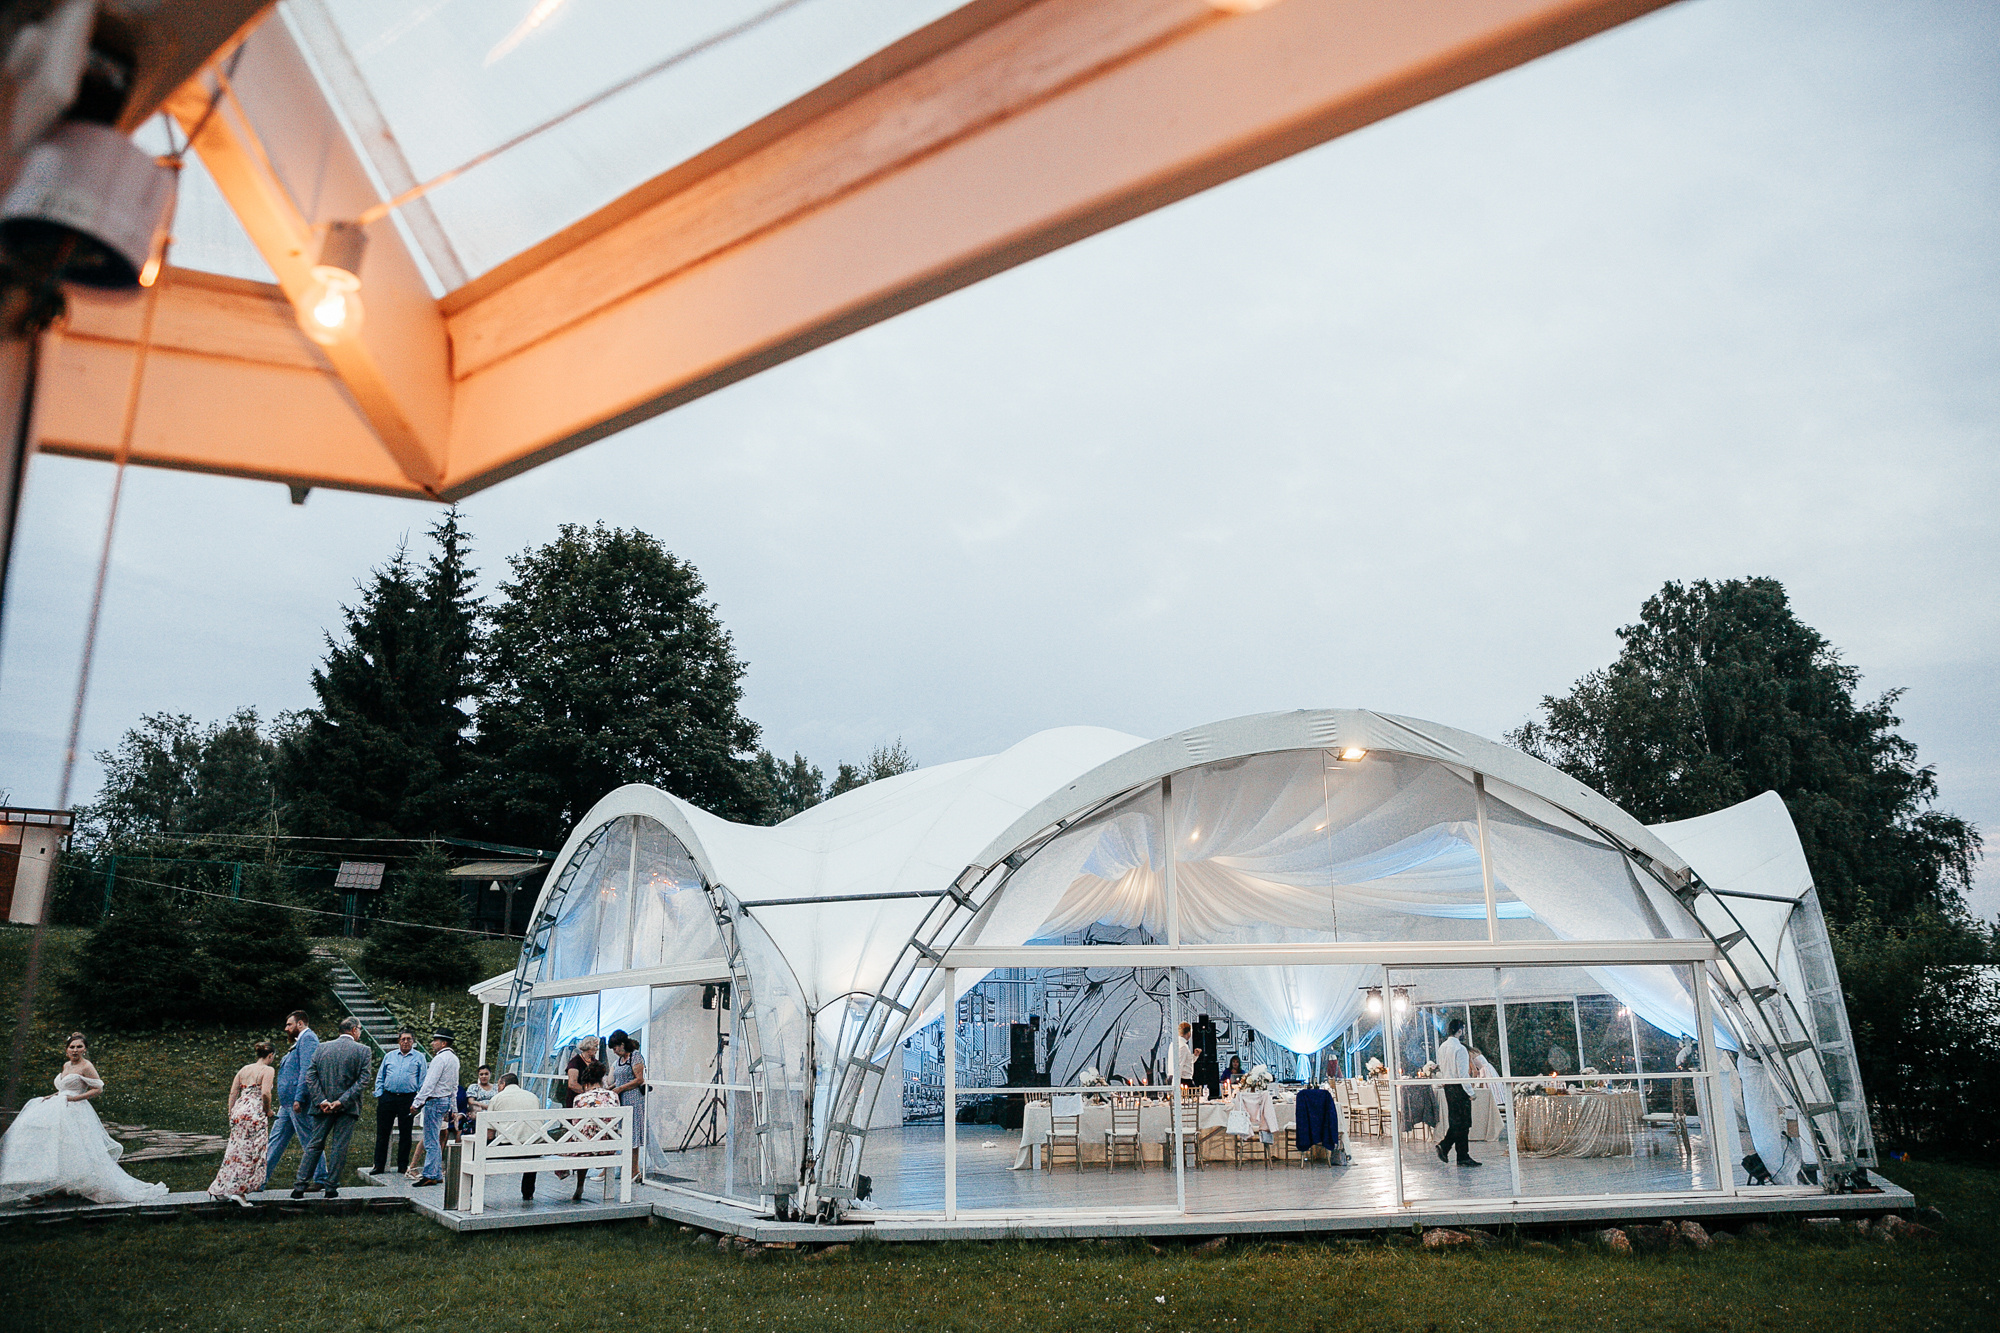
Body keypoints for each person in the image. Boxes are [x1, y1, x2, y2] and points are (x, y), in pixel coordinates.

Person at [0, 1032, 168, 1205]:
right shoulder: (66, 1065)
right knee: (57, 1145)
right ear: (66, 1050)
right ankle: (55, 1186)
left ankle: (83, 1183)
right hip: (60, 1105)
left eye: (79, 1047)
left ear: (85, 1049)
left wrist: (75, 1098)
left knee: (79, 1145)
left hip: (76, 1109)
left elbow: (98, 1088)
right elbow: (64, 1088)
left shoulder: (86, 1066)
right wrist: (52, 1096)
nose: (75, 1050)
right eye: (72, 1047)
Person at [290, 1017, 373, 1199]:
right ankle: (331, 1188)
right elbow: (363, 1080)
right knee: (339, 1147)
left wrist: (321, 1100)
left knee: (314, 1145)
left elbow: (310, 1076)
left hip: (323, 1107)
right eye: (360, 1029)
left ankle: (299, 1186)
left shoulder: (322, 1048)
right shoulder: (363, 1050)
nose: (360, 1032)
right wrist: (342, 1101)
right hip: (347, 1107)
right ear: (354, 1030)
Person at [206, 1040, 277, 1206]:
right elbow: (265, 1093)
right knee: (252, 1152)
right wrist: (268, 1110)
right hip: (254, 1112)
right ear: (270, 1055)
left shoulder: (244, 1069)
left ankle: (221, 1187)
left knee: (234, 1150)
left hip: (239, 1110)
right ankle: (240, 1191)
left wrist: (231, 1112)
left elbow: (233, 1092)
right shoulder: (268, 1070)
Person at [266, 1010, 325, 1191]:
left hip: (298, 1103)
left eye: (289, 1024)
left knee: (309, 1140)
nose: (286, 1028)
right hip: (287, 1104)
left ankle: (321, 1178)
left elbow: (307, 1070)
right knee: (275, 1140)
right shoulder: (299, 1042)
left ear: (300, 1024)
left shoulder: (308, 1039)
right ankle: (259, 1179)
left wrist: (299, 1097)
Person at [408, 1028, 462, 1188]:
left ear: (443, 1043)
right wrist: (454, 1108)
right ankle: (437, 1173)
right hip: (445, 1100)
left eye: (435, 1040)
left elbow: (429, 1083)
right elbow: (454, 1086)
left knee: (431, 1140)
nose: (432, 1043)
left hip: (434, 1101)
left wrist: (417, 1103)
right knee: (435, 1138)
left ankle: (430, 1174)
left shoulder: (439, 1059)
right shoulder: (454, 1059)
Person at [372, 1028, 427, 1176]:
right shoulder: (389, 1056)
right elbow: (380, 1076)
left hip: (407, 1099)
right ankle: (379, 1165)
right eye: (403, 1039)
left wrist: (417, 1101)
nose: (406, 1042)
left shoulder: (419, 1058)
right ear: (399, 1041)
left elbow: (422, 1080)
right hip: (388, 1097)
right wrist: (380, 1094)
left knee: (405, 1133)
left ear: (413, 1041)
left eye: (409, 1039)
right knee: (382, 1133)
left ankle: (402, 1165)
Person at [566, 1060, 619, 1202]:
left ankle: (579, 1185)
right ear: (602, 1080)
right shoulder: (613, 1096)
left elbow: (576, 1126)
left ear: (586, 1083)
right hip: (609, 1145)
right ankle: (608, 1191)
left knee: (580, 1139)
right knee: (588, 1137)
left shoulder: (579, 1098)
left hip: (585, 1147)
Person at [485, 1072, 542, 1201]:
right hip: (534, 1149)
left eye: (498, 1085)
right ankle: (528, 1192)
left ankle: (470, 1190)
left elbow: (490, 1133)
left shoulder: (497, 1098)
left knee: (474, 1151)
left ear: (503, 1084)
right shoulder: (533, 1097)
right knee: (530, 1142)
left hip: (508, 1147)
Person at [1435, 1018, 1480, 1167]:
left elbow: (1443, 1069)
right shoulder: (1460, 1049)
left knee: (1456, 1121)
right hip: (1459, 1088)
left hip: (1448, 1087)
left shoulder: (1442, 1047)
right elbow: (1462, 1074)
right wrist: (1470, 1092)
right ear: (1460, 1031)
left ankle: (1460, 1155)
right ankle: (1449, 1148)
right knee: (1463, 1123)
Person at [607, 1030, 646, 1180]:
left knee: (633, 1133)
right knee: (621, 1132)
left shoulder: (635, 1056)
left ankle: (634, 1169)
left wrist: (621, 1088)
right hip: (621, 1098)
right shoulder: (619, 1061)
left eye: (615, 1048)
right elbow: (619, 1079)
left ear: (622, 1044)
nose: (615, 1051)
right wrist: (610, 1089)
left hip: (633, 1098)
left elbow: (639, 1079)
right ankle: (623, 1167)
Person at [560, 1036, 601, 1109]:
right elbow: (572, 1084)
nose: (597, 1049)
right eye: (595, 1046)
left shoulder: (596, 1062)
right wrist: (588, 1093)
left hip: (593, 1101)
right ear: (589, 1047)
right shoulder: (575, 1062)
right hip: (576, 1100)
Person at [1175, 1021, 1200, 1092]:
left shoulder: (1174, 1044)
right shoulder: (1183, 1046)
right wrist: (1176, 1084)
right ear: (1189, 1033)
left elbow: (1186, 1062)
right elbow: (1179, 1065)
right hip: (1183, 1080)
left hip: (1178, 1078)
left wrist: (1195, 1056)